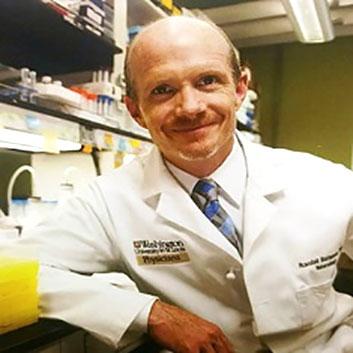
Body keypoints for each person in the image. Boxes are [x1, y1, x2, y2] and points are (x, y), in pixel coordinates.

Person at [19, 16, 353, 353]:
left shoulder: (325, 181)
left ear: (239, 90)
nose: (190, 108)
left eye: (208, 81)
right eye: (162, 90)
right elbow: (17, 271)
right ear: (136, 111)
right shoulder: (107, 201)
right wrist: (147, 313)